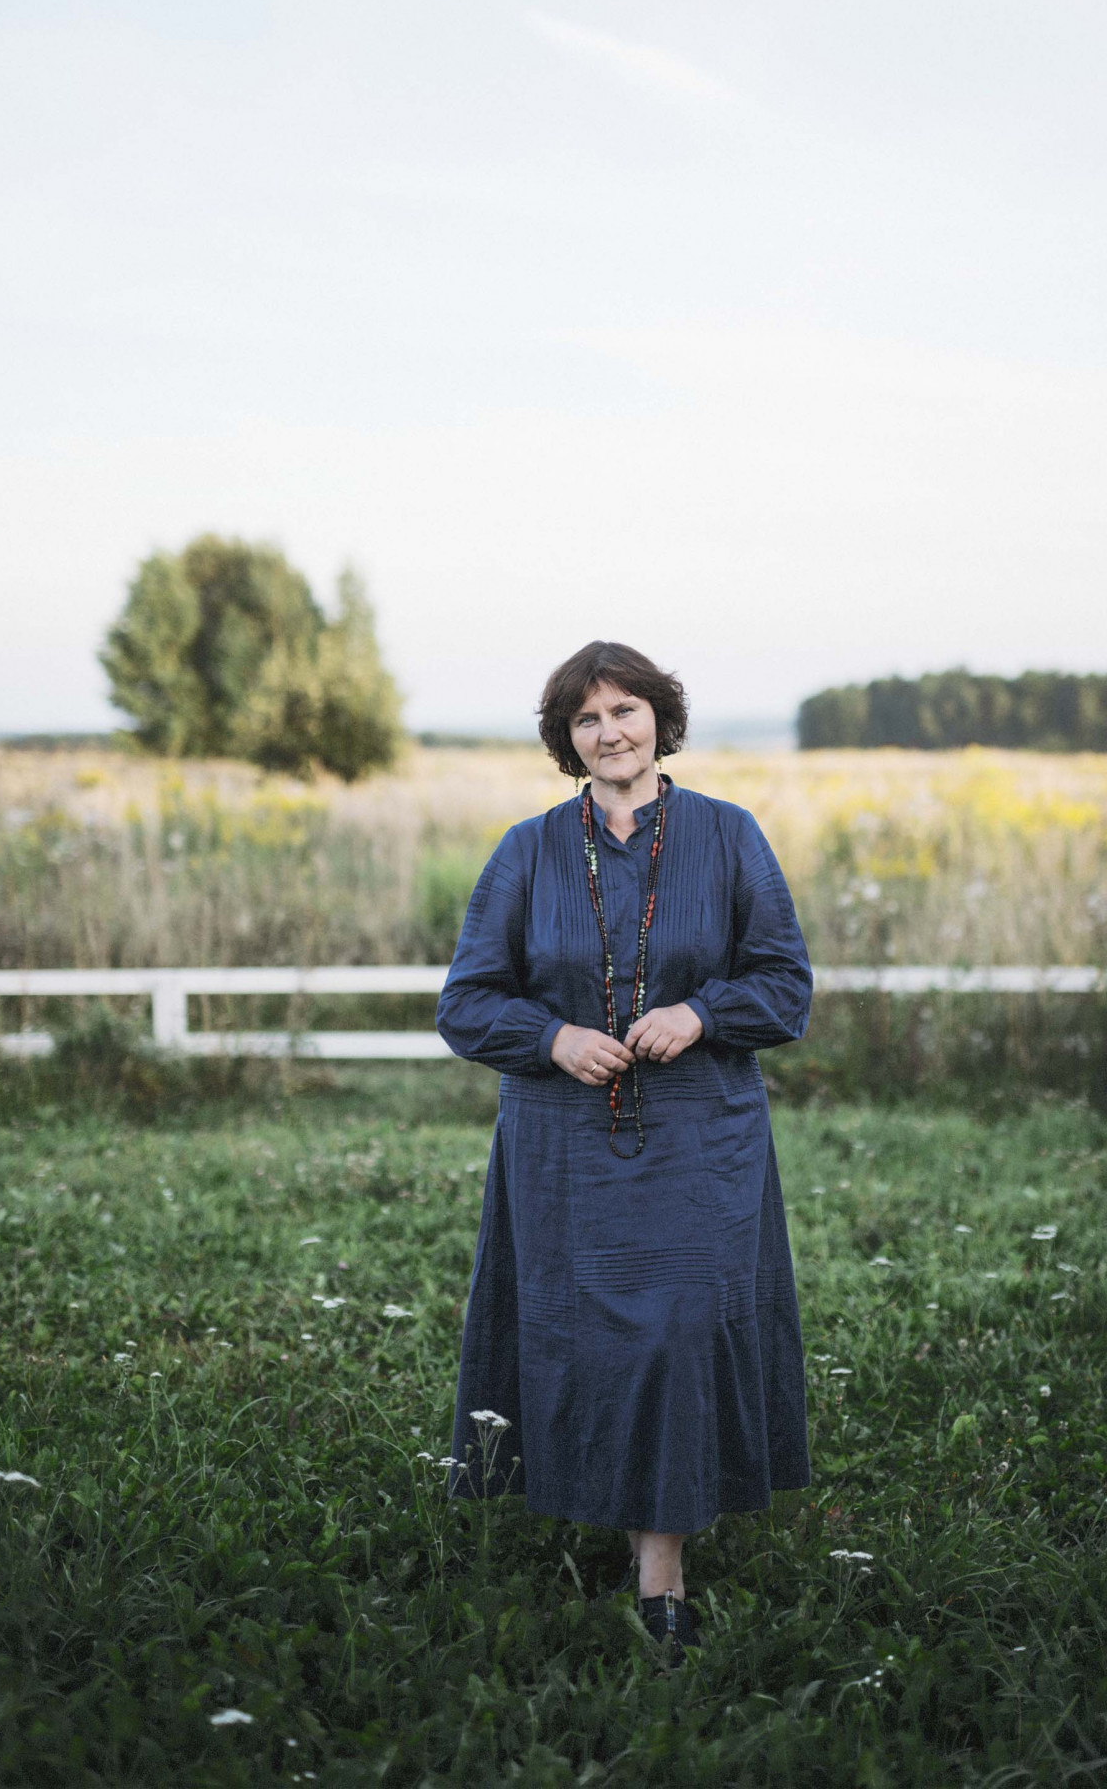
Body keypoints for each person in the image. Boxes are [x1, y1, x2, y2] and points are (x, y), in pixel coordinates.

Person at [437, 641, 814, 1662]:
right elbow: (465, 1002)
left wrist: (701, 1012)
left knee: (679, 1331)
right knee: (586, 1335)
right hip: (561, 1143)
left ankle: (662, 1573)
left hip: (700, 1134)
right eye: (587, 718)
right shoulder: (526, 850)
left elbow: (785, 987)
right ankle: (592, 1498)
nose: (609, 732)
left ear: (660, 718)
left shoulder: (729, 836)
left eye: (625, 709)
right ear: (567, 740)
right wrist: (551, 1038)